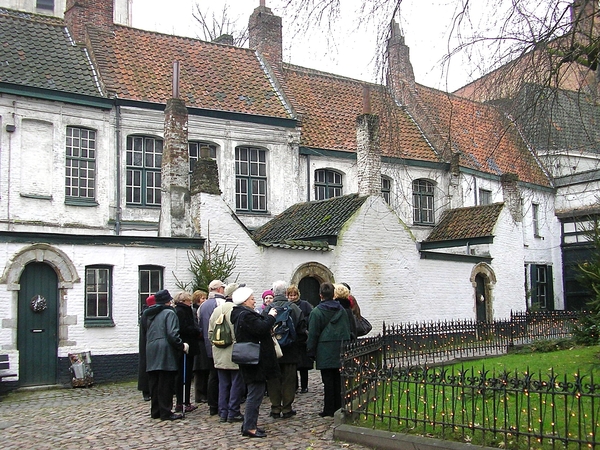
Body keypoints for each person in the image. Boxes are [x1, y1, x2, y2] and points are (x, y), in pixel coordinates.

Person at [230, 287, 279, 438]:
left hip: (254, 359)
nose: (254, 301)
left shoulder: (243, 314)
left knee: (255, 392)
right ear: (245, 301)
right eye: (252, 299)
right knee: (255, 394)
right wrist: (271, 317)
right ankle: (249, 427)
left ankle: (249, 424)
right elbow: (261, 329)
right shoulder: (245, 315)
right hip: (255, 360)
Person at [141, 289, 189, 421]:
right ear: (169, 301)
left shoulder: (148, 314)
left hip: (151, 348)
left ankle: (156, 410)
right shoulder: (169, 313)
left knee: (155, 382)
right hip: (165, 350)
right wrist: (181, 345)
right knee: (165, 382)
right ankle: (166, 411)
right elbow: (172, 334)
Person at [263, 280, 307, 419]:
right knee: (289, 380)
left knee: (273, 379)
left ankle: (275, 407)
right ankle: (287, 408)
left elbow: (263, 328)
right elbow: (302, 329)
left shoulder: (267, 309)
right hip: (290, 350)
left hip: (272, 350)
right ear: (286, 292)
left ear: (274, 293)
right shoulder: (294, 308)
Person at [306, 282, 351, 418]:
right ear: (333, 295)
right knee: (338, 380)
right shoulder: (342, 311)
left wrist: (310, 351)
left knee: (328, 381)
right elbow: (346, 330)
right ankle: (338, 406)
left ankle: (329, 409)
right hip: (339, 349)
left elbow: (313, 333)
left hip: (324, 349)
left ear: (320, 295)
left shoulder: (317, 312)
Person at [208, 284, 244, 424]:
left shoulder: (217, 310)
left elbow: (210, 332)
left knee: (223, 384)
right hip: (234, 352)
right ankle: (233, 412)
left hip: (219, 352)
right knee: (236, 383)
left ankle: (223, 412)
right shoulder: (237, 310)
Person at [198, 279, 226, 415]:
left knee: (212, 376)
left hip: (206, 344)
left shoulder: (202, 306)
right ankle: (220, 404)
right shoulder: (220, 303)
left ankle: (212, 405)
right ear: (219, 289)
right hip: (219, 344)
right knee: (220, 376)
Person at [173, 291, 201, 413]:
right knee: (184, 375)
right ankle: (183, 402)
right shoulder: (182, 311)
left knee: (184, 375)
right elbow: (183, 328)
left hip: (187, 345)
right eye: (189, 301)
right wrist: (196, 330)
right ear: (183, 301)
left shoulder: (180, 310)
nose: (190, 303)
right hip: (186, 345)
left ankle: (183, 401)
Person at [286, 284, 313, 393]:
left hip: (302, 338)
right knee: (293, 366)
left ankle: (304, 386)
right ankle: (295, 385)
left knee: (303, 365)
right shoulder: (287, 306)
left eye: (294, 295)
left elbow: (310, 317)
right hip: (292, 339)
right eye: (290, 295)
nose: (292, 297)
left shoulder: (305, 305)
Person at [191, 289, 209, 404]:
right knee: (200, 370)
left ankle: (204, 393)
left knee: (205, 369)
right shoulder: (194, 311)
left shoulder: (202, 310)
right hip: (199, 344)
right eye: (202, 298)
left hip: (203, 343)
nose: (204, 300)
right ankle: (199, 394)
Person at [138, 294, 155, 402]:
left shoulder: (146, 314)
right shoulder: (147, 315)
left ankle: (147, 391)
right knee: (145, 367)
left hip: (147, 343)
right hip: (147, 344)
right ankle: (146, 390)